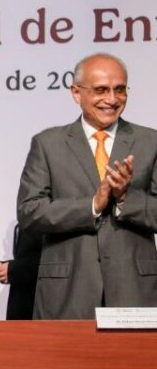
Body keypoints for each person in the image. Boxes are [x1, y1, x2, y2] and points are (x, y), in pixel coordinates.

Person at [17, 53, 157, 319]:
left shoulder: (150, 141)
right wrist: (93, 205)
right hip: (68, 291)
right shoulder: (48, 144)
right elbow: (30, 213)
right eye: (101, 90)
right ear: (76, 93)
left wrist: (126, 197)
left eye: (120, 89)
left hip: (135, 291)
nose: (112, 99)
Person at [0, 224, 42, 320]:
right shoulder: (24, 224)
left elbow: (54, 262)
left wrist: (13, 269)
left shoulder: (49, 219)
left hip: (41, 311)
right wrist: (4, 268)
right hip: (20, 312)